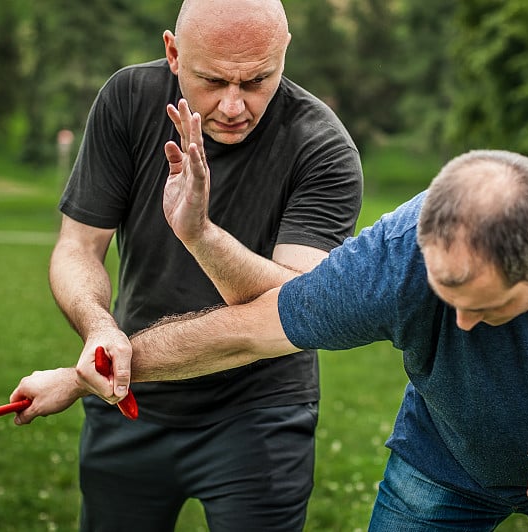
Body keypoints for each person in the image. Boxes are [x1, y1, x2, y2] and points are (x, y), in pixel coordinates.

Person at [14, 150, 528, 531]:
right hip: (439, 470)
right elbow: (247, 331)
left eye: (483, 306)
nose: (460, 327)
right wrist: (82, 376)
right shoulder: (393, 260)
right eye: (446, 298)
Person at [34, 0, 363, 529]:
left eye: (257, 80)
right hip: (124, 396)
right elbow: (78, 246)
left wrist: (200, 234)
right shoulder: (129, 99)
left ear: (284, 53)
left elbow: (295, 309)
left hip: (260, 414)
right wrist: (99, 330)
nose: (234, 106)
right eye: (212, 80)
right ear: (173, 52)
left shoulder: (322, 148)